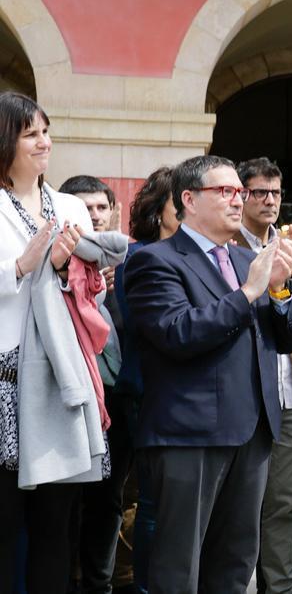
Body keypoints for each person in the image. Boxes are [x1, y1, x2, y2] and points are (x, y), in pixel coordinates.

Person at [124, 154, 292, 592]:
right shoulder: (157, 261)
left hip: (253, 433)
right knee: (178, 566)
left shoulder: (251, 260)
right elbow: (177, 332)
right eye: (224, 191)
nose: (237, 200)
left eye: (238, 192)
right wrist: (248, 293)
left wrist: (280, 286)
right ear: (189, 199)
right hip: (189, 435)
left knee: (235, 562)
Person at [0, 92, 100, 593]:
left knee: (54, 525)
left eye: (46, 131)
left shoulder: (68, 205)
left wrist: (71, 269)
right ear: (6, 143)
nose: (44, 142)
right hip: (4, 380)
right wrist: (22, 265)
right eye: (31, 134)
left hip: (57, 374)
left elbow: (89, 291)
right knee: (4, 519)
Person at [231, 157, 292, 594]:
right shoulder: (226, 246)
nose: (270, 201)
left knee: (283, 506)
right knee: (235, 508)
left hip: (291, 396)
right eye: (260, 192)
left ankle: (280, 587)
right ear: (241, 194)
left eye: (275, 193)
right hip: (243, 397)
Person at [59, 174, 132, 594]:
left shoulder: (130, 263)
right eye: (84, 208)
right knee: (66, 503)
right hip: (71, 398)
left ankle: (98, 584)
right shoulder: (56, 263)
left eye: (100, 207)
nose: (94, 215)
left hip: (117, 402)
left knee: (108, 500)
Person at [114, 165, 177, 593]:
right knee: (151, 500)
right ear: (159, 211)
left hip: (182, 395)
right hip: (148, 390)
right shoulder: (137, 258)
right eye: (182, 199)